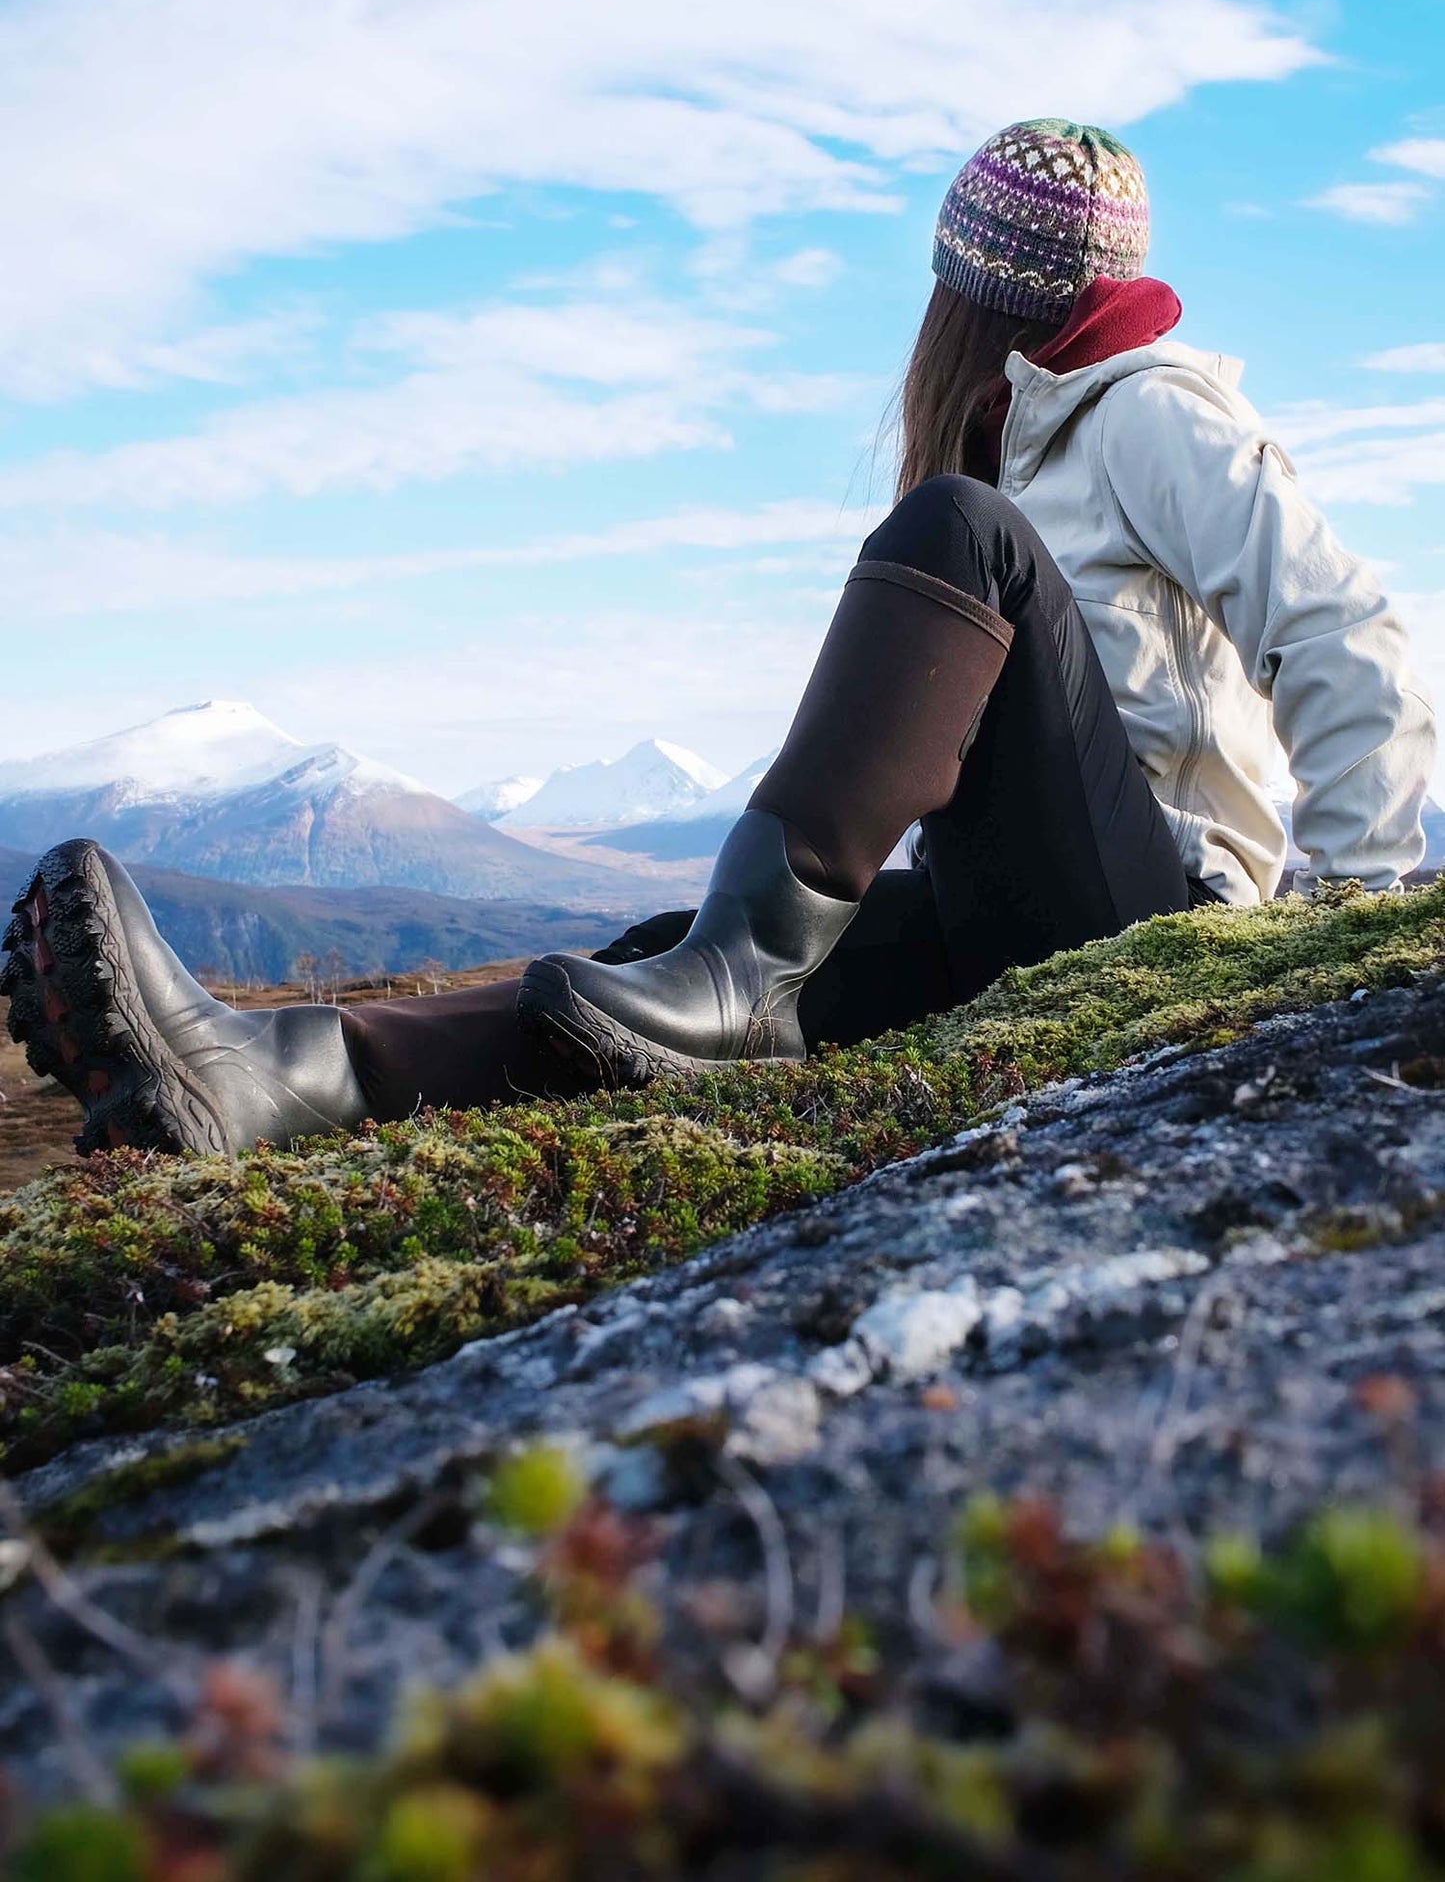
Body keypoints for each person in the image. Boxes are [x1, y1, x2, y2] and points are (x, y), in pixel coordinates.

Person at [5, 121, 1434, 1157]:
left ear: (969, 287)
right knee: (633, 979)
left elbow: (1344, 630)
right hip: (1009, 912)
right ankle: (266, 1075)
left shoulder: (1150, 409)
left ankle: (741, 970)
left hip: (1151, 912)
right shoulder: (1029, 430)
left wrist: (1352, 924)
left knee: (958, 539)